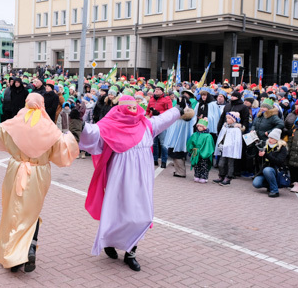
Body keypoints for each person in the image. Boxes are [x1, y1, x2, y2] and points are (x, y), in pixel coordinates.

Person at [79, 95, 182, 271]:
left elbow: (162, 119)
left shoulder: (146, 124)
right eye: (129, 108)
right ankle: (109, 242)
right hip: (119, 175)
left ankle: (131, 252)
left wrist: (177, 110)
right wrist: (80, 125)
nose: (133, 112)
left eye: (135, 108)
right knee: (117, 211)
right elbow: (93, 133)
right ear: (121, 108)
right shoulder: (110, 124)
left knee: (141, 215)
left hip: (142, 177)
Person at [0, 93, 79, 273]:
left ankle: (13, 254)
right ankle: (30, 246)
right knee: (32, 211)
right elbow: (64, 150)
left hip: (15, 170)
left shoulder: (12, 124)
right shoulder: (49, 128)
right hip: (39, 173)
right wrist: (76, 126)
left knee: (12, 209)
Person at [253, 128, 288, 197]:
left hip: (276, 170)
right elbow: (260, 162)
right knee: (256, 183)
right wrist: (260, 156)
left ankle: (275, 190)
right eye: (269, 138)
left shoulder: (282, 148)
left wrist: (266, 155)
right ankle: (270, 184)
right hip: (265, 170)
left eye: (272, 138)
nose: (270, 140)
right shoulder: (266, 146)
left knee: (267, 170)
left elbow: (279, 161)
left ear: (277, 139)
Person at [214, 112, 244, 186]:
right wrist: (220, 144)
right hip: (223, 148)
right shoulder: (225, 127)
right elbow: (221, 136)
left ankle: (228, 177)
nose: (227, 120)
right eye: (227, 118)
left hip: (231, 149)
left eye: (229, 118)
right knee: (221, 164)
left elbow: (237, 141)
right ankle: (221, 175)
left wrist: (231, 147)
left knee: (230, 164)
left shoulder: (236, 129)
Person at [147, 83, 172, 168]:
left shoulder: (166, 99)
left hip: (162, 123)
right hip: (153, 122)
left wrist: (159, 113)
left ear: (162, 91)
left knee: (163, 143)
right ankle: (155, 159)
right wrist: (148, 115)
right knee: (154, 143)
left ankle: (164, 161)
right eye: (155, 89)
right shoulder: (151, 99)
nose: (156, 91)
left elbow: (169, 111)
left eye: (158, 89)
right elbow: (147, 110)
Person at [186, 118, 215, 183]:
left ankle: (203, 177)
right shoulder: (195, 134)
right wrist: (192, 149)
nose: (199, 127)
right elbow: (190, 142)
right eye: (198, 126)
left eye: (201, 126)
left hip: (203, 154)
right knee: (196, 165)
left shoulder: (208, 136)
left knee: (204, 165)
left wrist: (203, 153)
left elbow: (208, 146)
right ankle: (197, 175)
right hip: (196, 153)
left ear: (204, 127)